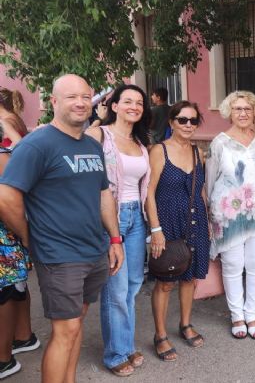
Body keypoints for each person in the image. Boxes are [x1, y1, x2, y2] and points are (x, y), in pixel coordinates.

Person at [0, 74, 124, 383]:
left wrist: (115, 238)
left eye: (85, 96)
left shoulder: (91, 146)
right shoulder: (37, 145)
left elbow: (103, 194)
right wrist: (31, 237)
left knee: (77, 323)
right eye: (71, 97)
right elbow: (5, 197)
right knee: (65, 329)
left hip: (93, 249)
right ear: (53, 102)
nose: (80, 102)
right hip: (59, 255)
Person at [84, 84, 151, 376]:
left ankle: (125, 343)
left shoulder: (140, 142)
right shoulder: (99, 134)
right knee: (116, 288)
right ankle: (115, 353)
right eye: (127, 101)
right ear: (114, 105)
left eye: (139, 102)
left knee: (133, 284)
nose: (134, 106)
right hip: (111, 216)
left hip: (136, 217)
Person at [147, 101, 210, 361]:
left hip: (196, 221)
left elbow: (201, 190)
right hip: (169, 222)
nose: (187, 125)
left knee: (190, 277)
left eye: (193, 121)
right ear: (172, 122)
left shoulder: (198, 152)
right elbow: (148, 193)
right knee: (166, 281)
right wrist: (156, 230)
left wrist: (208, 221)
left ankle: (185, 324)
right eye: (182, 120)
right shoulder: (159, 150)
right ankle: (160, 335)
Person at [206, 91, 255, 340]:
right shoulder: (219, 142)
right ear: (229, 113)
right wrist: (211, 216)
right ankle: (237, 316)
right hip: (228, 214)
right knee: (233, 265)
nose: (243, 113)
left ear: (254, 111)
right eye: (237, 109)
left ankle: (253, 314)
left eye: (247, 109)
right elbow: (210, 181)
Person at [0, 144, 39, 380]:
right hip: (9, 236)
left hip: (6, 236)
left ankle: (3, 359)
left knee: (8, 290)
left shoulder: (2, 157)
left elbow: (8, 203)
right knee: (14, 286)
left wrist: (25, 236)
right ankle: (23, 336)